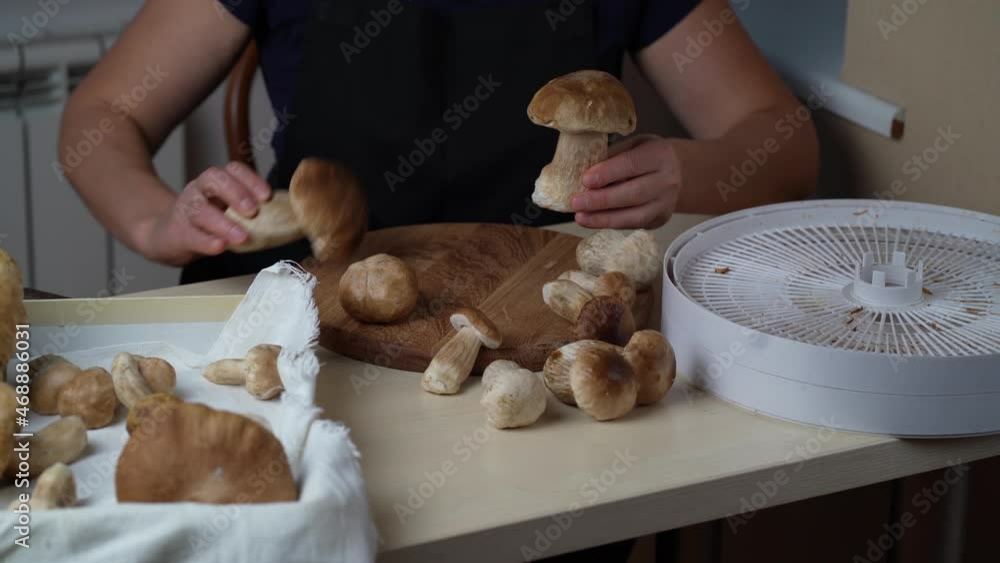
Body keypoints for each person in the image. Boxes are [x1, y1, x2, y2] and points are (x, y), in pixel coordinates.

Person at [62, 0, 818, 286]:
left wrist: (688, 169)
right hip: (300, 320)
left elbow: (786, 143)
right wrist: (152, 221)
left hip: (534, 324)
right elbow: (98, 115)